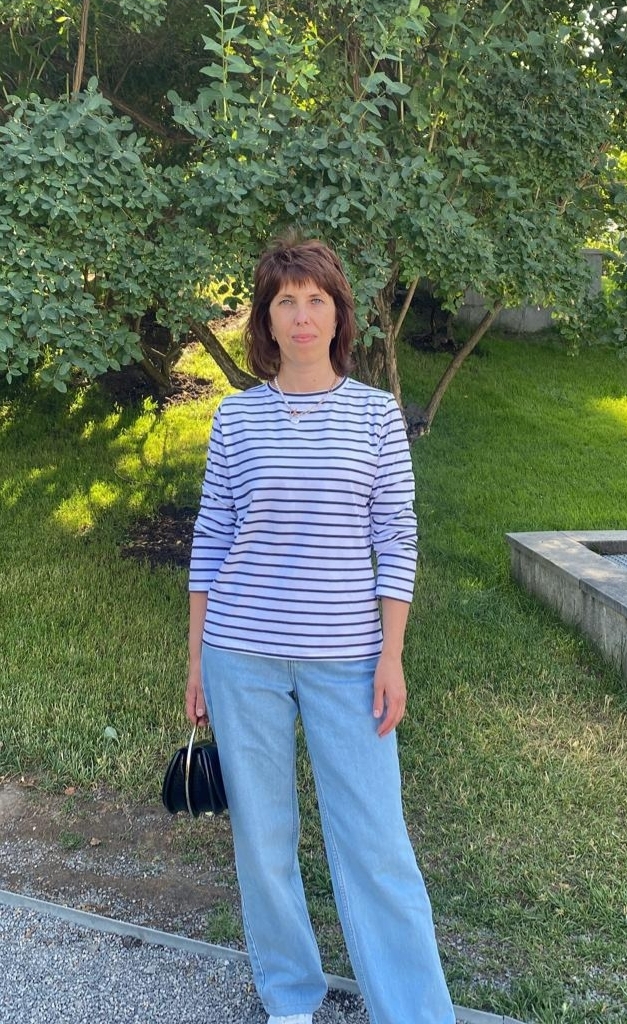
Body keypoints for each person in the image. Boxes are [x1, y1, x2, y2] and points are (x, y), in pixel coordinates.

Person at [186, 237, 456, 1024]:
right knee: (263, 841)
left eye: (316, 300)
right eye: (285, 301)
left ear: (338, 315)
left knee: (376, 844)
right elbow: (211, 538)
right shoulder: (235, 418)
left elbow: (396, 538)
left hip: (350, 660)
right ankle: (289, 998)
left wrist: (392, 655)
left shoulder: (375, 415)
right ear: (266, 319)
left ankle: (414, 1011)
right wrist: (197, 659)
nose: (301, 315)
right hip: (242, 656)